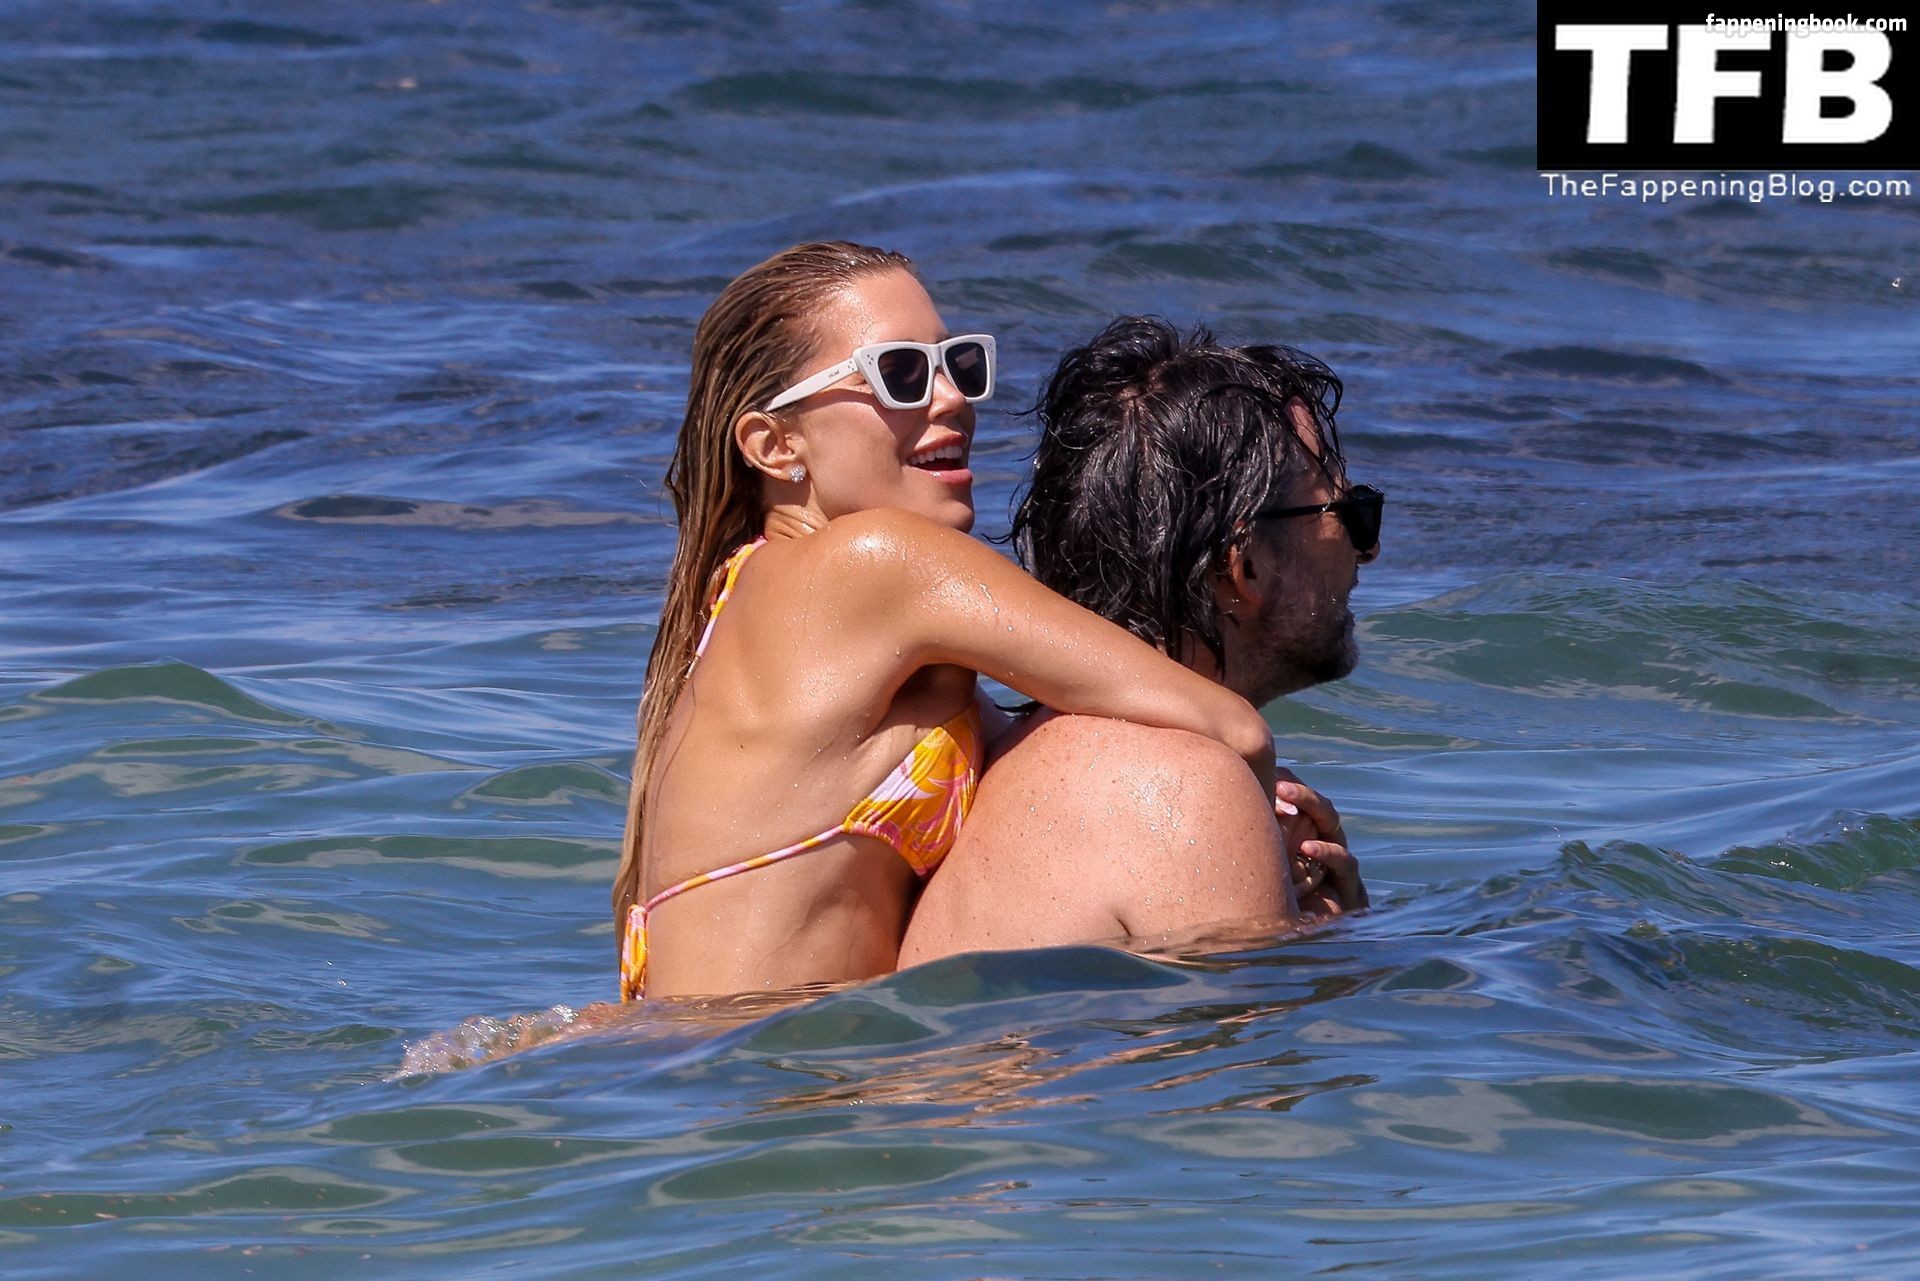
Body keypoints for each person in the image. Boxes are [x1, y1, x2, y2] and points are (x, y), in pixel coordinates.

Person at [616, 245, 1293, 1001]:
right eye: (900, 374)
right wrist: (1261, 842)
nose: (951, 399)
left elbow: (1047, 750)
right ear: (775, 446)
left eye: (959, 364)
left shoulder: (755, 601)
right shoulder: (876, 563)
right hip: (773, 1063)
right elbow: (1234, 730)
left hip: (702, 1060)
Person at [900, 317, 1380, 964]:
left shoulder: (1012, 754)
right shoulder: (1188, 788)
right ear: (1247, 568)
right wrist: (1333, 946)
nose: (1365, 553)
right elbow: (1250, 1030)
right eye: (1352, 516)